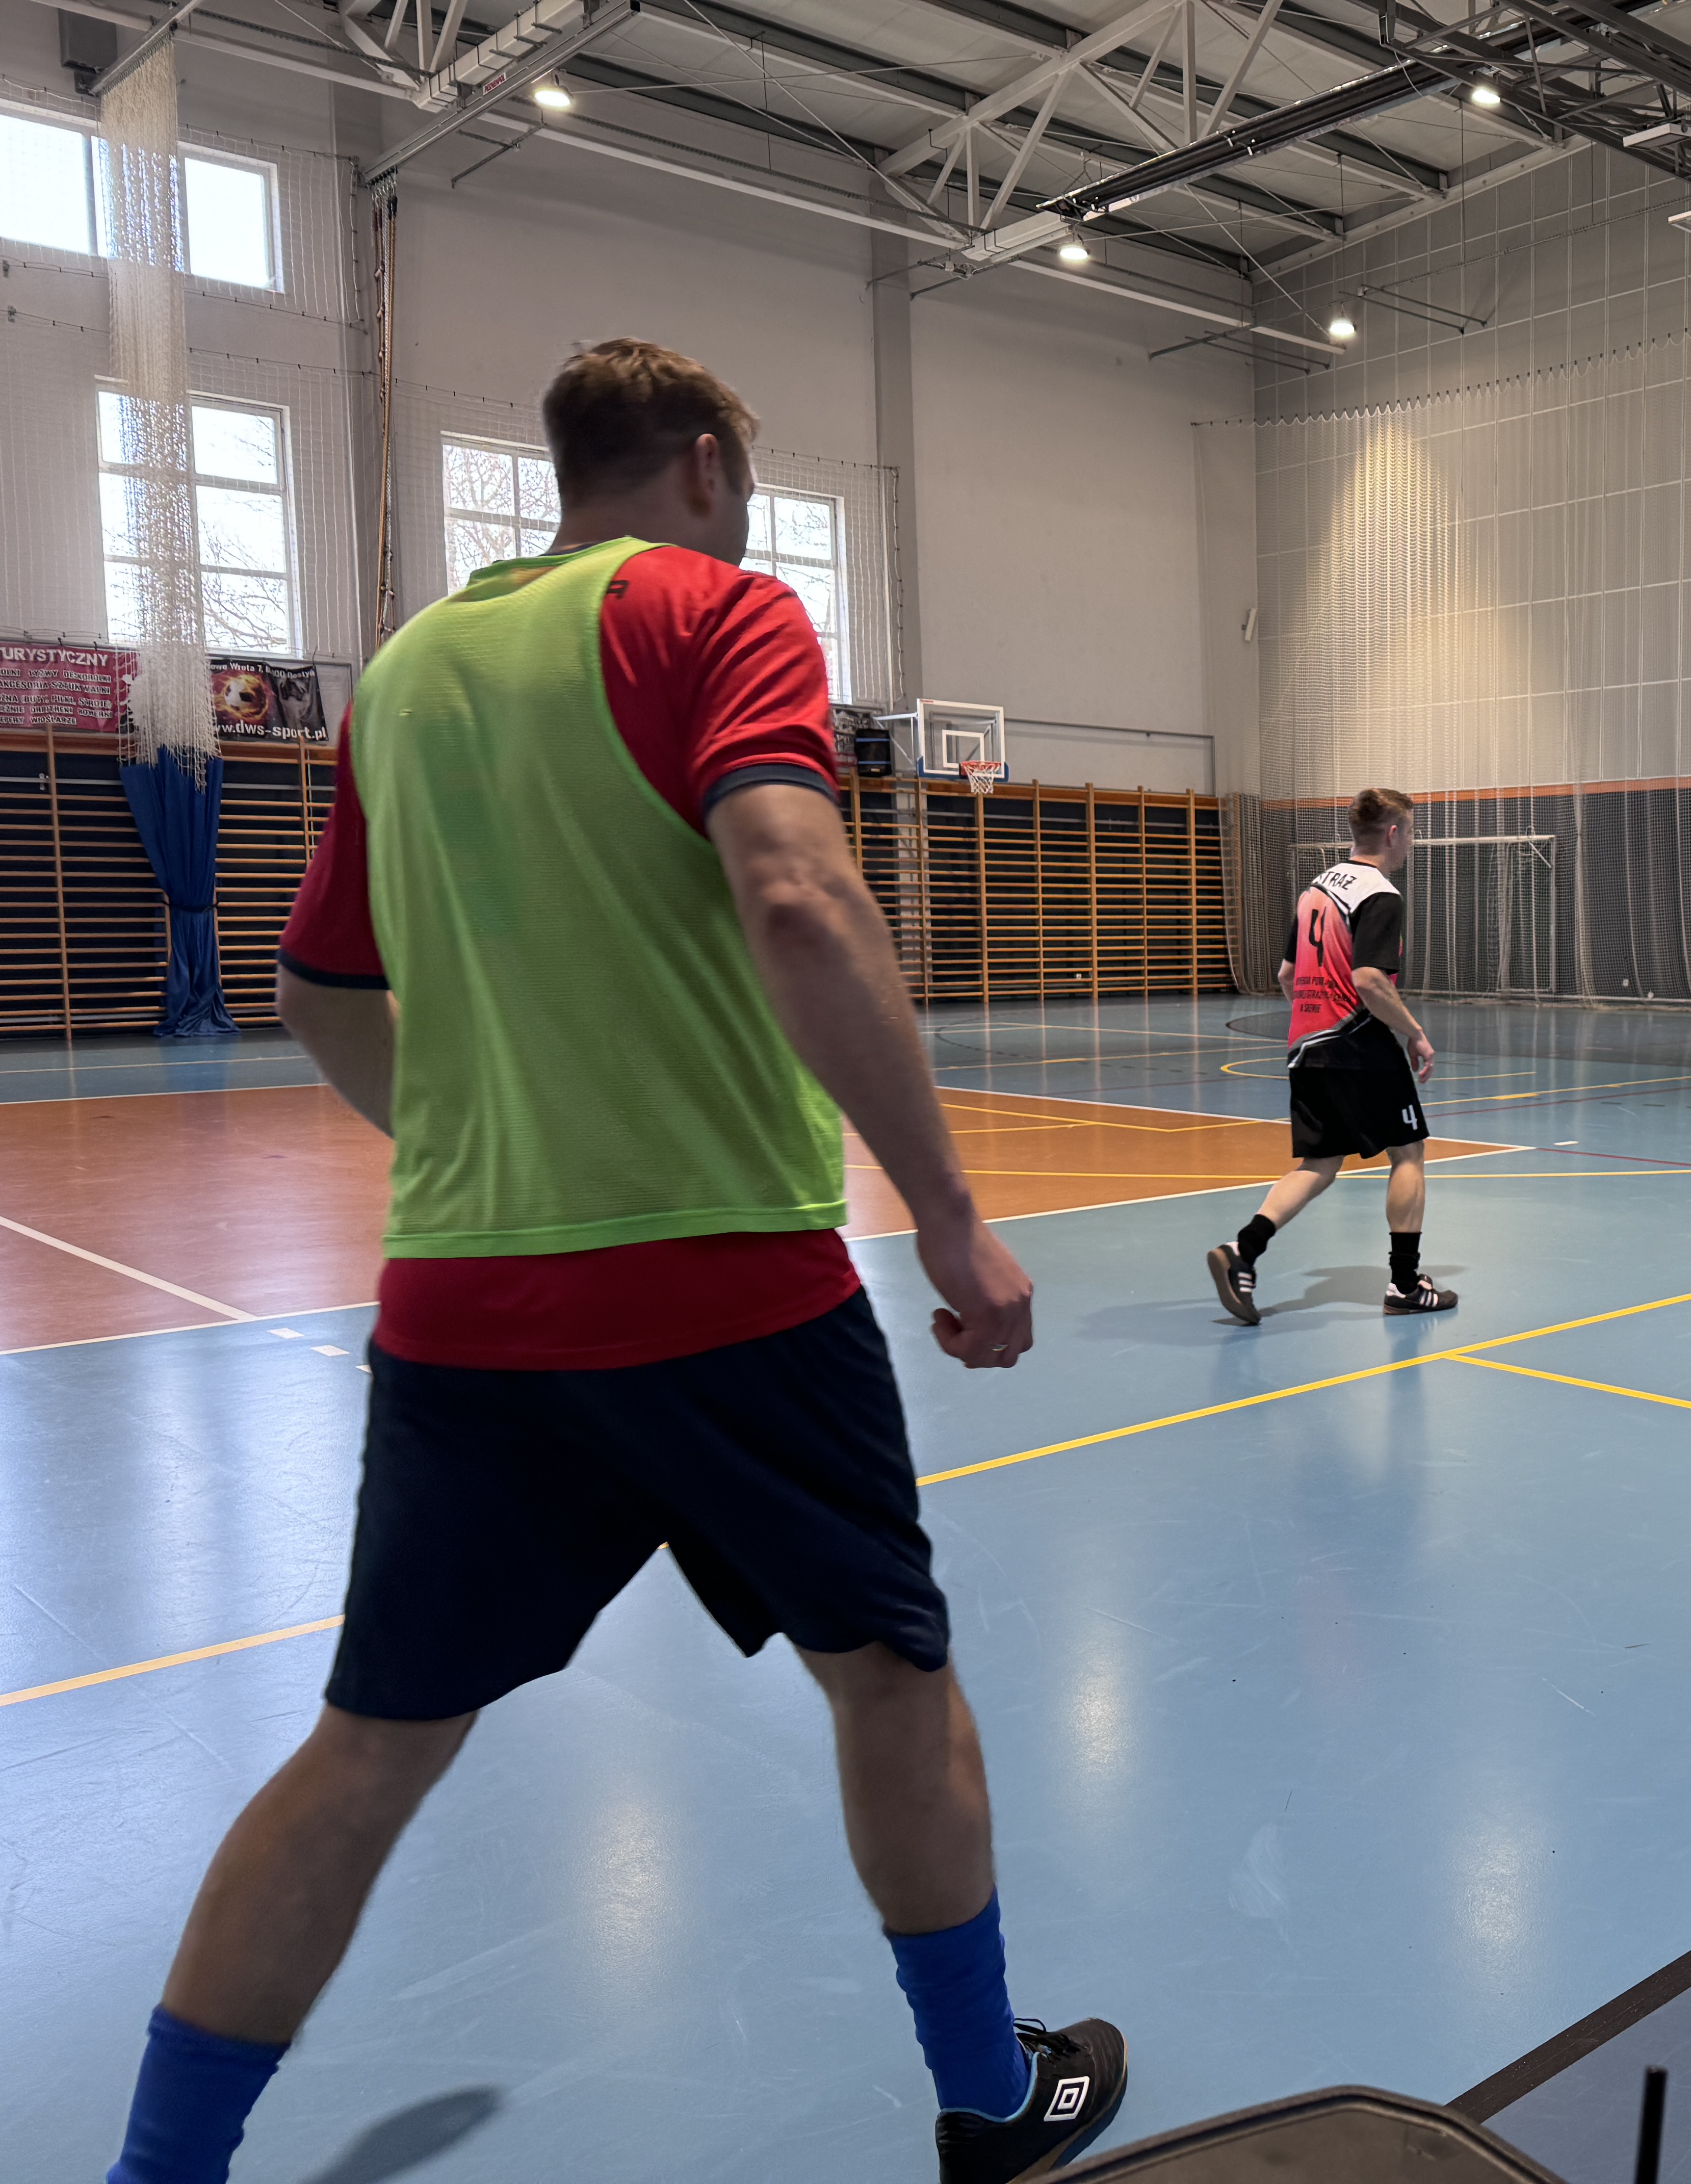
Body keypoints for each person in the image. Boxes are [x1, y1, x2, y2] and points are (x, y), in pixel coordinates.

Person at [105, 341, 1123, 2184]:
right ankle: (990, 2103)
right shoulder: (717, 614)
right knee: (889, 1684)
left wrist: (479, 1145)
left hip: (462, 1308)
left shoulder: (406, 672)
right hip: (730, 1293)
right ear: (710, 465)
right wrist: (947, 1210)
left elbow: (315, 992)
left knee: (367, 1751)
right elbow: (796, 892)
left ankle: (155, 2172)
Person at [1208, 787, 1455, 1323]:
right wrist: (1414, 1032)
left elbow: (1287, 975)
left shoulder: (1315, 891)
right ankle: (1405, 1284)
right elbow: (1369, 980)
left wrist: (1315, 1023)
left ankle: (1242, 1251)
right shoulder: (1379, 894)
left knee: (1319, 1164)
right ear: (1393, 833)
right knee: (1408, 1152)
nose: (1411, 843)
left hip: (1306, 1045)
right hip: (1357, 1043)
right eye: (1411, 833)